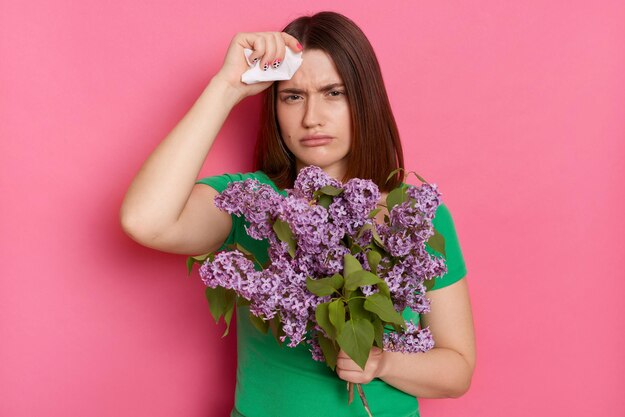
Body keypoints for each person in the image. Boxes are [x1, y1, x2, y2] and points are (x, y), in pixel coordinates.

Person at [120, 11, 475, 417]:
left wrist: (382, 362)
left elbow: (457, 369)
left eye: (333, 93)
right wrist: (226, 87)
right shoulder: (252, 203)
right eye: (292, 96)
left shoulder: (411, 217)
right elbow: (145, 220)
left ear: (364, 99)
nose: (311, 118)